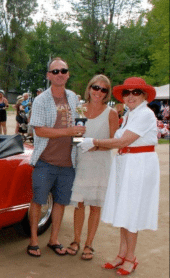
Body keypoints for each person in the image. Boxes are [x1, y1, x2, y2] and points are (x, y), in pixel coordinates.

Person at [78, 77, 159, 275]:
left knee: (131, 212)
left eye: (136, 92)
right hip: (126, 163)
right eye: (126, 92)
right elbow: (118, 140)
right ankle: (122, 254)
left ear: (144, 95)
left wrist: (93, 141)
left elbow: (123, 141)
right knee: (124, 210)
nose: (130, 96)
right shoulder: (131, 114)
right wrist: (93, 145)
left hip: (139, 165)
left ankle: (131, 257)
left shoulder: (145, 114)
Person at [27, 57, 85, 257]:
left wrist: (80, 137)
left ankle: (54, 239)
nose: (59, 74)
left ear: (68, 74)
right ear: (48, 76)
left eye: (63, 70)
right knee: (38, 200)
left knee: (61, 202)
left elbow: (79, 126)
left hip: (68, 162)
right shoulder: (41, 99)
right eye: (55, 71)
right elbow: (40, 130)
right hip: (45, 161)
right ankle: (34, 240)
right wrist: (69, 131)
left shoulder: (74, 98)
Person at [66, 75, 119, 260]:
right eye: (96, 87)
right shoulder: (80, 109)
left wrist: (95, 145)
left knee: (95, 205)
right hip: (82, 162)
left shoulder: (111, 113)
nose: (98, 92)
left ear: (107, 93)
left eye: (103, 89)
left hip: (100, 163)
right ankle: (76, 240)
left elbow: (115, 142)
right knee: (79, 204)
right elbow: (76, 136)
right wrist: (78, 140)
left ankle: (89, 244)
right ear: (89, 88)